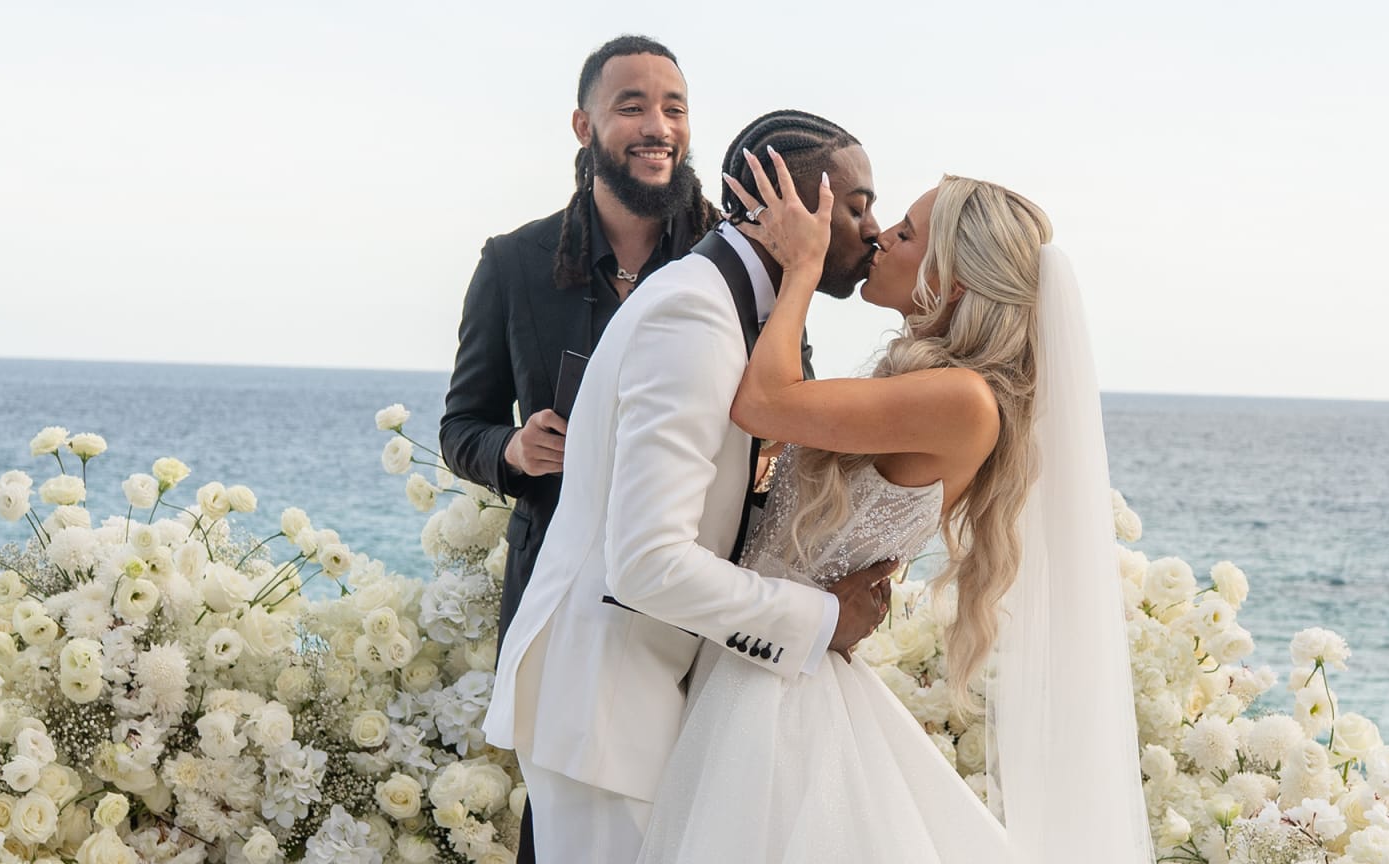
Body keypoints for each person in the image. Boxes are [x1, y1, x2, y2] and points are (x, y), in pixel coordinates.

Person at [635, 156, 1154, 861]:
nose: (880, 239)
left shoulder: (962, 400)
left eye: (906, 235)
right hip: (766, 660)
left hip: (777, 702)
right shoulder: (932, 385)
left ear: (953, 275)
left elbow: (764, 402)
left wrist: (802, 269)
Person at [481, 110, 893, 864]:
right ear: (786, 209)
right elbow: (648, 564)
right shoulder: (695, 317)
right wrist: (819, 621)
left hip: (634, 702)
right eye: (858, 205)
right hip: (605, 714)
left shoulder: (732, 307)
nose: (874, 229)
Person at [440, 35, 722, 651]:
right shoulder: (512, 262)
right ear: (583, 125)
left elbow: (789, 404)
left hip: (700, 600)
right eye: (631, 107)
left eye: (675, 109)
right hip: (554, 597)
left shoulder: (734, 259)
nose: (658, 127)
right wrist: (514, 448)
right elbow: (461, 428)